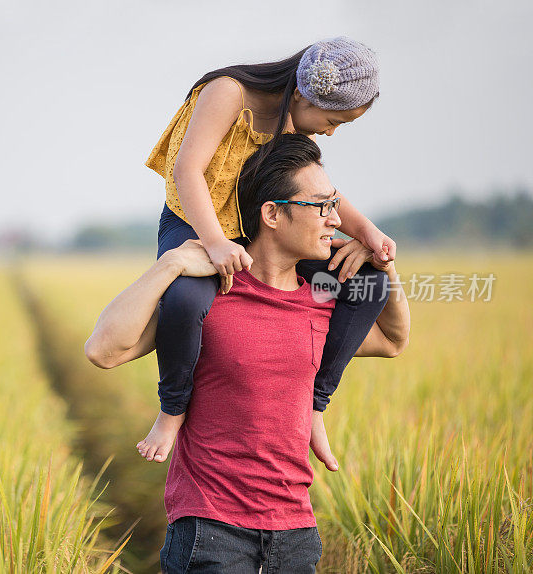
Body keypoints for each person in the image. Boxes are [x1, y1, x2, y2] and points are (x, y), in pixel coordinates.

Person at [85, 134, 410, 572]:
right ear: (273, 213)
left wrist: (384, 264)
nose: (337, 221)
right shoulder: (209, 295)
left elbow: (392, 340)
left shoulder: (322, 301)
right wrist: (172, 265)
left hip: (296, 534)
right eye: (322, 207)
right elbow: (104, 350)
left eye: (335, 205)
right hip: (210, 531)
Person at [138, 37, 395, 468]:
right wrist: (216, 242)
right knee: (186, 300)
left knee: (367, 281)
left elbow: (315, 191)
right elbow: (187, 170)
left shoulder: (295, 120)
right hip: (196, 221)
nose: (329, 132)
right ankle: (171, 410)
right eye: (331, 120)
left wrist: (367, 231)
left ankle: (315, 403)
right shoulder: (229, 92)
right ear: (300, 93)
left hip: (259, 227)